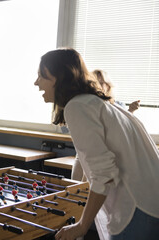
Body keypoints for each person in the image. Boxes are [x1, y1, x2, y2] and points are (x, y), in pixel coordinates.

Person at [34, 48, 159, 240]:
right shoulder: (98, 103)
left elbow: (103, 174)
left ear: (59, 77)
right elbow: (101, 163)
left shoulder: (77, 107)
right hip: (149, 204)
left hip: (136, 208)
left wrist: (82, 226)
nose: (37, 82)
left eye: (42, 76)